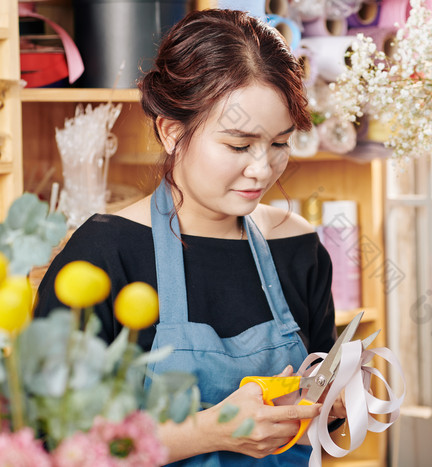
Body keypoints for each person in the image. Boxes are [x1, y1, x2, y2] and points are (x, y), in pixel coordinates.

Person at [34, 8, 343, 466]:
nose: (262, 169)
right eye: (238, 145)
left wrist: (333, 405)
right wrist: (205, 433)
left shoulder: (297, 249)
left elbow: (323, 406)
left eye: (279, 143)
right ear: (171, 131)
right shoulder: (102, 255)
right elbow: (55, 448)